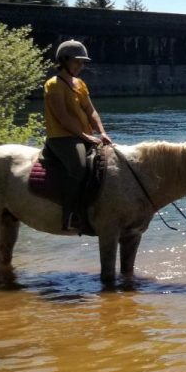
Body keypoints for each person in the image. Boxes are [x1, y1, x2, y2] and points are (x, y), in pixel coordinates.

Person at [44, 40, 112, 232]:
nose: (81, 66)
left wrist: (102, 132)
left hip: (83, 137)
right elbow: (63, 117)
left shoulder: (80, 84)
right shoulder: (54, 85)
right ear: (64, 61)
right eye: (77, 62)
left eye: (82, 63)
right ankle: (70, 215)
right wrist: (85, 136)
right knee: (79, 167)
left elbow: (91, 111)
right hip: (62, 138)